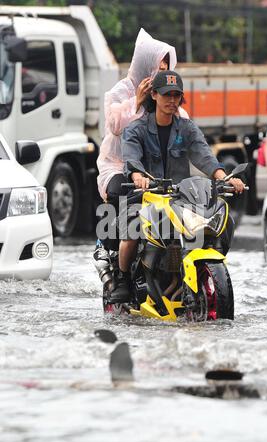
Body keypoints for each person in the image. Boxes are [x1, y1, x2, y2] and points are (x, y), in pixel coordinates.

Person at [110, 70, 246, 303]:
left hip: (180, 198)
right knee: (131, 231)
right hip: (145, 196)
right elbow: (132, 159)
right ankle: (122, 278)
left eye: (177, 95)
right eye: (167, 95)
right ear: (154, 95)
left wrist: (224, 177)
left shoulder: (187, 128)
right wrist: (138, 176)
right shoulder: (136, 129)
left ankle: (201, 267)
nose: (172, 100)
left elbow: (205, 156)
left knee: (224, 221)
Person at [93, 28, 186, 268]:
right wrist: (136, 100)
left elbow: (186, 130)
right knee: (121, 192)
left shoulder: (163, 97)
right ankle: (109, 248)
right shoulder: (119, 92)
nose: (161, 75)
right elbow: (115, 126)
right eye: (158, 69)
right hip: (118, 165)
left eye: (166, 70)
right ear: (146, 66)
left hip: (154, 169)